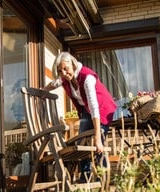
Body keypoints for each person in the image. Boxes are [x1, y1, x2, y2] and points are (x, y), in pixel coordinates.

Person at [45, 51, 117, 182]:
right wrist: (41, 91)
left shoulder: (87, 77)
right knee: (81, 141)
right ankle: (85, 178)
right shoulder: (64, 78)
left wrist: (97, 138)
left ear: (73, 64)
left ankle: (103, 179)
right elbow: (54, 83)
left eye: (66, 69)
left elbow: (94, 107)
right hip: (87, 111)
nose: (64, 73)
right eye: (60, 71)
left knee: (97, 144)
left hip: (101, 109)